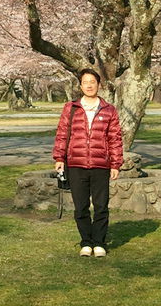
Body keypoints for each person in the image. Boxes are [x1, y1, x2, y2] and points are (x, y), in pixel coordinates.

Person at [53, 69, 124, 258]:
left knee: (101, 206)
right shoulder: (71, 108)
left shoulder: (109, 109)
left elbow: (115, 138)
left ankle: (99, 242)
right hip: (76, 164)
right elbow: (62, 134)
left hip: (101, 165)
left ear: (98, 85)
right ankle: (86, 242)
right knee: (81, 206)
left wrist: (115, 164)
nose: (89, 85)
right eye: (85, 82)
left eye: (93, 82)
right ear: (80, 85)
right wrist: (59, 158)